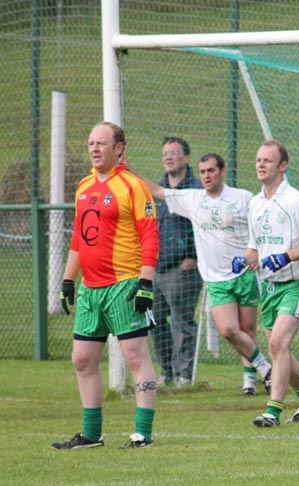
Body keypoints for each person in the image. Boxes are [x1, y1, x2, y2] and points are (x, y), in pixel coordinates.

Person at [52, 121, 159, 450]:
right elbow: (77, 238)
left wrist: (145, 283)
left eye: (102, 143)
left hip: (124, 286)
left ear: (119, 148)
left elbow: (150, 235)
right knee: (82, 359)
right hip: (90, 289)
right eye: (91, 143)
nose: (95, 149)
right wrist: (69, 278)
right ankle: (91, 435)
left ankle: (142, 433)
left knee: (135, 356)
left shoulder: (132, 185)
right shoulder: (84, 186)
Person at [134, 153, 272, 396]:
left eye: (211, 171)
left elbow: (263, 226)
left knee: (248, 330)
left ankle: (250, 381)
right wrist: (125, 169)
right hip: (216, 279)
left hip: (244, 274)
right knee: (229, 330)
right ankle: (266, 368)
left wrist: (258, 253)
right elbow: (157, 191)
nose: (207, 176)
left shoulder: (242, 198)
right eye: (203, 172)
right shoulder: (193, 198)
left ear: (221, 171)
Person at [232, 140, 299, 427]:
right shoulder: (255, 203)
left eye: (268, 160)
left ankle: (272, 411)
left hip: (298, 282)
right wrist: (244, 259)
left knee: (277, 343)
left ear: (283, 166)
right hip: (270, 286)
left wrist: (287, 257)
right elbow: (255, 248)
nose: (260, 165)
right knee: (279, 349)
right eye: (258, 160)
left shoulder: (297, 201)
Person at [150, 136, 203, 387]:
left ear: (187, 158)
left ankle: (184, 375)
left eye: (174, 153)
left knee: (182, 322)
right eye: (165, 154)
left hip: (183, 269)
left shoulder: (196, 189)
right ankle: (167, 371)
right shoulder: (156, 189)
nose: (169, 157)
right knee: (154, 319)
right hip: (155, 269)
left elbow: (205, 226)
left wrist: (193, 256)